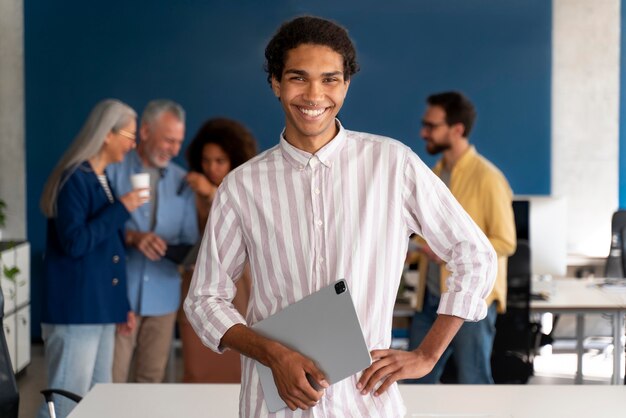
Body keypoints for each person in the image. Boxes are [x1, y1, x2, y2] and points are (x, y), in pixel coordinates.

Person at [184, 16, 497, 417]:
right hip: (275, 406)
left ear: (346, 84)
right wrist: (273, 353)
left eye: (330, 79)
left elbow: (475, 255)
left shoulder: (392, 165)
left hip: (364, 402)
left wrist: (428, 354)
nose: (315, 94)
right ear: (276, 84)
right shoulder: (241, 186)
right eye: (298, 78)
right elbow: (205, 299)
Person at [37, 99, 145, 418]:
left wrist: (120, 305)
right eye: (130, 135)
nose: (133, 143)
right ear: (108, 134)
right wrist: (122, 208)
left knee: (100, 398)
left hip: (98, 308)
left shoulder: (100, 178)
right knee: (67, 400)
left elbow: (110, 250)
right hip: (76, 310)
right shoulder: (75, 178)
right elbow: (75, 242)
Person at [408, 91, 517, 384]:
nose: (423, 132)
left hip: (471, 300)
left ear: (456, 129)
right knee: (415, 383)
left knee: (474, 382)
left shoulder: (488, 178)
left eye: (431, 126)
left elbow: (506, 242)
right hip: (430, 298)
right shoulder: (434, 174)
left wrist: (443, 253)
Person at [107, 99, 198, 383]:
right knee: (110, 381)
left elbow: (190, 240)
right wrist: (131, 237)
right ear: (145, 132)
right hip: (119, 295)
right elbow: (97, 229)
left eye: (178, 142)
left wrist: (173, 251)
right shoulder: (113, 171)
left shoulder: (183, 181)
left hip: (163, 297)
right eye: (169, 140)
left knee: (151, 383)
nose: (175, 149)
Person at [178, 117, 258, 382]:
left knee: (239, 359)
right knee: (198, 365)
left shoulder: (247, 187)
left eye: (219, 161)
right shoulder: (188, 190)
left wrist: (212, 194)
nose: (211, 167)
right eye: (206, 160)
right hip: (197, 282)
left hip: (239, 282)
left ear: (234, 160)